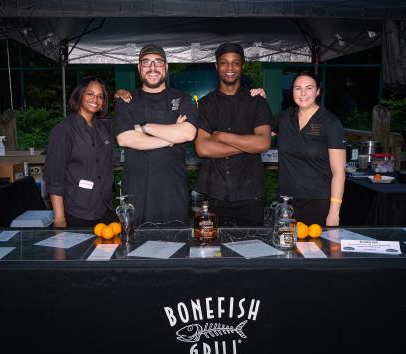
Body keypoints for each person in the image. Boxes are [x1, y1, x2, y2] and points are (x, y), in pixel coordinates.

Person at [114, 44, 198, 226]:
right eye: (146, 62)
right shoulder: (126, 101)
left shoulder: (183, 99)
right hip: (136, 195)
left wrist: (143, 127)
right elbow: (125, 138)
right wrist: (169, 137)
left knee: (175, 249)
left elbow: (188, 133)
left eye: (158, 62)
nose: (152, 67)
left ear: (166, 67)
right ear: (139, 68)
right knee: (133, 252)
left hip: (172, 194)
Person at [194, 43, 273, 226]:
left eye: (235, 63)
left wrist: (221, 136)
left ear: (242, 66)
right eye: (224, 63)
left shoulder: (257, 102)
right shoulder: (206, 104)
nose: (230, 68)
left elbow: (262, 143)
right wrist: (247, 145)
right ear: (216, 66)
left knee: (252, 249)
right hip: (215, 193)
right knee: (214, 250)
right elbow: (203, 148)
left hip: (250, 192)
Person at [273, 70, 346, 227]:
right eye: (298, 88)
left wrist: (334, 213)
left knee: (315, 250)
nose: (303, 93)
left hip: (318, 202)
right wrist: (257, 99)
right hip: (287, 202)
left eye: (309, 88)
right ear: (292, 91)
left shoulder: (330, 122)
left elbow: (339, 172)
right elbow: (258, 131)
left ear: (318, 91)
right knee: (286, 248)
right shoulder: (285, 118)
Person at [44, 76, 115, 228]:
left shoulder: (103, 127)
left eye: (100, 96)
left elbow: (129, 129)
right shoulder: (64, 130)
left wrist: (121, 95)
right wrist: (59, 218)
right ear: (80, 95)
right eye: (90, 94)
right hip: (77, 212)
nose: (95, 99)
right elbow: (54, 178)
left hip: (104, 210)